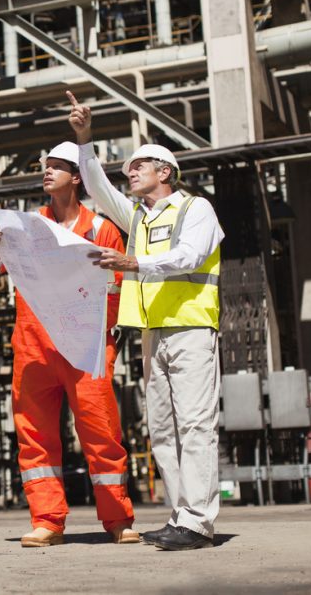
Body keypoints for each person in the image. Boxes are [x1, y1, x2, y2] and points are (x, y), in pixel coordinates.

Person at [67, 90, 224, 551]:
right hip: (153, 335)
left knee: (195, 425)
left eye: (139, 166)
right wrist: (84, 138)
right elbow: (96, 186)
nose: (130, 172)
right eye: (128, 169)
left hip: (192, 328)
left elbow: (190, 256)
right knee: (162, 428)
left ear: (164, 171)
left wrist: (136, 265)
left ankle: (199, 522)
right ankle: (182, 516)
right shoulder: (137, 217)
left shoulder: (196, 209)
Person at [0, 141, 138, 548]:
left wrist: (105, 337)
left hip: (84, 345)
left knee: (101, 433)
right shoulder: (23, 227)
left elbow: (117, 285)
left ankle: (118, 520)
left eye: (57, 166)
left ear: (77, 178)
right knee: (35, 436)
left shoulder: (101, 229)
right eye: (45, 166)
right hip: (34, 345)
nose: (46, 171)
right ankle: (47, 521)